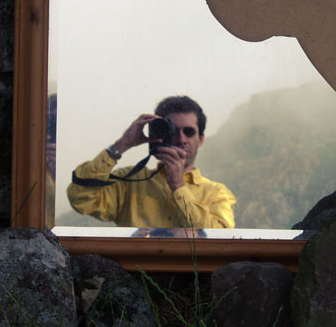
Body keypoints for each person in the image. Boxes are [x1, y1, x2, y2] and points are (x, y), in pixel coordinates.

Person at [67, 95, 236, 229]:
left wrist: (178, 186)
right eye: (173, 131)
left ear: (201, 139)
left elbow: (219, 238)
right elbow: (80, 198)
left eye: (189, 131)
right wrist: (121, 145)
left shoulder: (217, 193)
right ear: (159, 132)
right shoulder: (129, 181)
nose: (181, 139)